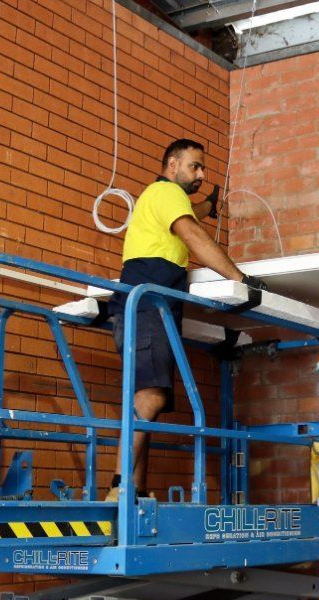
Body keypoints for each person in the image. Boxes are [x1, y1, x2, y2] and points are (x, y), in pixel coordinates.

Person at [105, 139, 266, 501]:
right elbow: (192, 233)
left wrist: (208, 204)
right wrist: (240, 280)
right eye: (195, 167)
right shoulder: (164, 194)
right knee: (150, 396)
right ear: (172, 164)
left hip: (148, 305)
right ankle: (118, 489)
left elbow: (193, 212)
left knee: (148, 396)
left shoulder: (165, 199)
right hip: (148, 305)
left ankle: (135, 490)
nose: (201, 174)